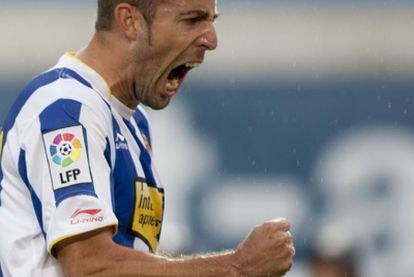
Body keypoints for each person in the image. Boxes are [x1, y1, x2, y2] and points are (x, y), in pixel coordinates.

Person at [0, 0, 294, 276]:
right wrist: (237, 267)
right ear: (130, 21)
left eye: (211, 21)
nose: (212, 40)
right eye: (192, 20)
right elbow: (89, 265)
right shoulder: (66, 110)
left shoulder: (133, 122)